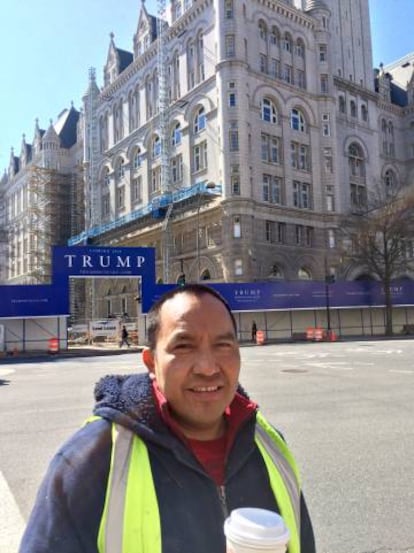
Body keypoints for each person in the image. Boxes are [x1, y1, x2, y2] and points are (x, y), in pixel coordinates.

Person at [19, 284, 315, 553]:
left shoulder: (271, 445)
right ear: (151, 362)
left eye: (223, 345)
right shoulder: (88, 460)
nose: (208, 367)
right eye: (183, 346)